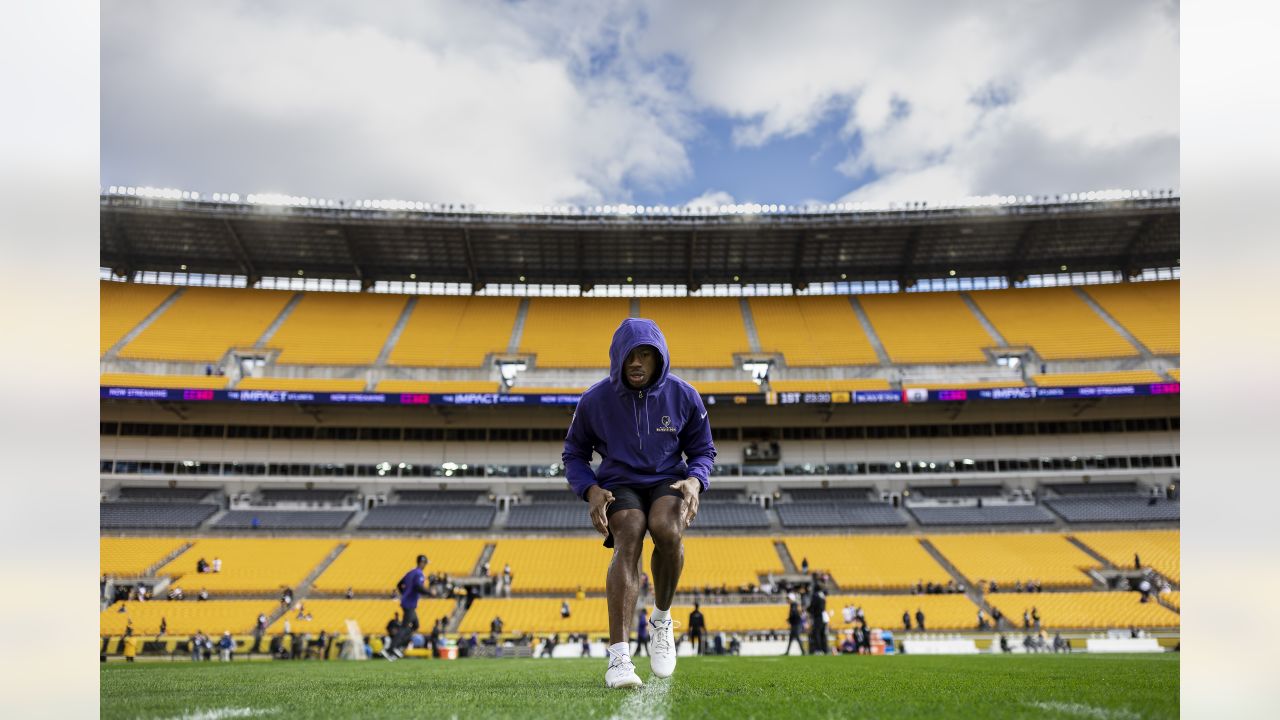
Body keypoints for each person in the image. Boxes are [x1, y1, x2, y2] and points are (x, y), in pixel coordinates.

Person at [562, 319, 716, 689]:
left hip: (667, 477)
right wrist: (589, 490)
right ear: (617, 358)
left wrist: (696, 479)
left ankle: (661, 621)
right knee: (629, 532)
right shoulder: (594, 400)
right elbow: (574, 454)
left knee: (665, 528)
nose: (636, 362)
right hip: (619, 482)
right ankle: (619, 658)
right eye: (629, 355)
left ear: (658, 358)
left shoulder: (684, 395)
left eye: (645, 354)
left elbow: (702, 450)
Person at [384, 553, 430, 661]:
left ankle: (398, 646)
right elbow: (418, 587)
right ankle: (392, 648)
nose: (425, 565)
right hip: (409, 604)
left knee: (415, 625)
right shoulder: (419, 573)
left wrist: (404, 593)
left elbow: (399, 584)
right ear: (422, 563)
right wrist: (429, 592)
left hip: (407, 602)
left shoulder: (411, 572)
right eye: (425, 563)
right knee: (405, 627)